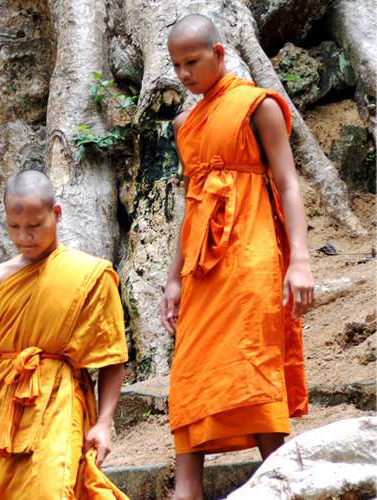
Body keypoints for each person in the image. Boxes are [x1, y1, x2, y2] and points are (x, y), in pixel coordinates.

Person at [160, 14, 315, 500]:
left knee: (252, 364)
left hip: (251, 255)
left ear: (220, 52)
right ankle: (188, 489)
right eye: (176, 66)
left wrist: (301, 261)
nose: (184, 74)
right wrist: (172, 278)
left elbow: (288, 184)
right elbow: (191, 206)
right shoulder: (186, 123)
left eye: (193, 62)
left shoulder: (257, 106)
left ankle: (282, 479)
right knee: (190, 372)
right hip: (200, 268)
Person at [0, 169, 129, 499]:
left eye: (35, 226)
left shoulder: (90, 274)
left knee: (53, 489)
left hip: (60, 401)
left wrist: (104, 422)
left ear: (57, 213)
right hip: (3, 408)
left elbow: (112, 357)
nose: (25, 237)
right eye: (14, 227)